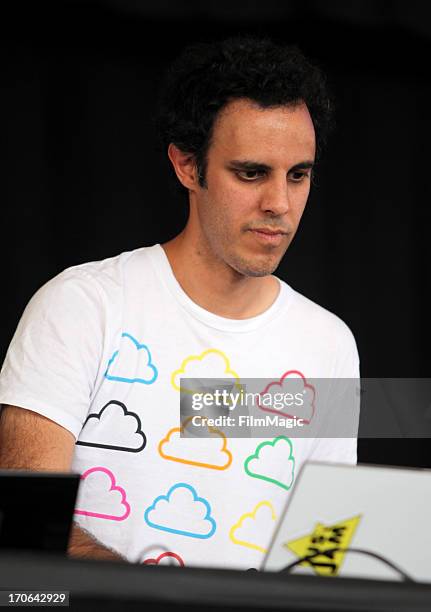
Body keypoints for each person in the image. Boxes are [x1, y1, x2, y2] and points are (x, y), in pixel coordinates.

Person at [0, 36, 359, 569]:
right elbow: (23, 526)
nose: (279, 204)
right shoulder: (81, 306)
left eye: (298, 175)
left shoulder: (330, 344)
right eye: (251, 173)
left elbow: (322, 552)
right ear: (187, 166)